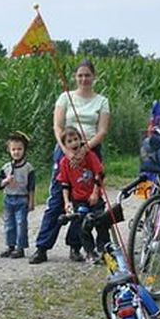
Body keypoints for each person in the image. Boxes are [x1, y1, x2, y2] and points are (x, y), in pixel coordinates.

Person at [30, 59, 111, 264]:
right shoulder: (65, 97)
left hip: (90, 151)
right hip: (65, 151)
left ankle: (76, 246)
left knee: (84, 200)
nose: (84, 79)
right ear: (75, 77)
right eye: (80, 75)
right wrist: (67, 151)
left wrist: (85, 149)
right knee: (58, 198)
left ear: (94, 77)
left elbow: (102, 130)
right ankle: (42, 246)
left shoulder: (101, 101)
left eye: (88, 75)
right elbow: (57, 126)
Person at [56, 127, 109, 263]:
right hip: (78, 200)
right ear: (65, 145)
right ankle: (89, 252)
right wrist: (67, 202)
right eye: (70, 141)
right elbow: (65, 184)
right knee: (82, 225)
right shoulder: (64, 162)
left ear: (81, 140)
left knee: (101, 222)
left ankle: (104, 249)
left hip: (93, 197)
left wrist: (95, 193)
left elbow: (100, 174)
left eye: (76, 139)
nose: (74, 143)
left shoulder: (90, 156)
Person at [0, 131, 36, 258]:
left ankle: (20, 248)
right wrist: (6, 181)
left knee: (21, 224)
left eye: (19, 149)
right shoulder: (6, 168)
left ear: (24, 150)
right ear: (9, 150)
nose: (16, 152)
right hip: (8, 198)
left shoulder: (28, 168)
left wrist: (31, 201)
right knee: (9, 223)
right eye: (13, 149)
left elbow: (31, 186)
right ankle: (10, 246)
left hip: (22, 199)